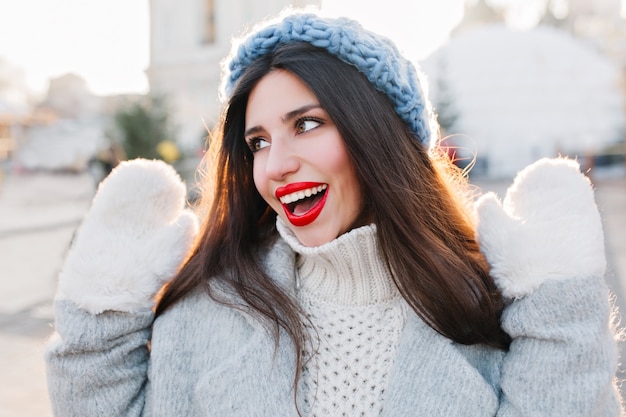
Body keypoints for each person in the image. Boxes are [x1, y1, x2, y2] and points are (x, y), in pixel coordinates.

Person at [45, 9, 623, 416]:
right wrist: (102, 315)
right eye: (258, 142)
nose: (275, 166)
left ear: (378, 135)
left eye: (307, 124)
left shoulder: (482, 308)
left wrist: (562, 314)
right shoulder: (208, 312)